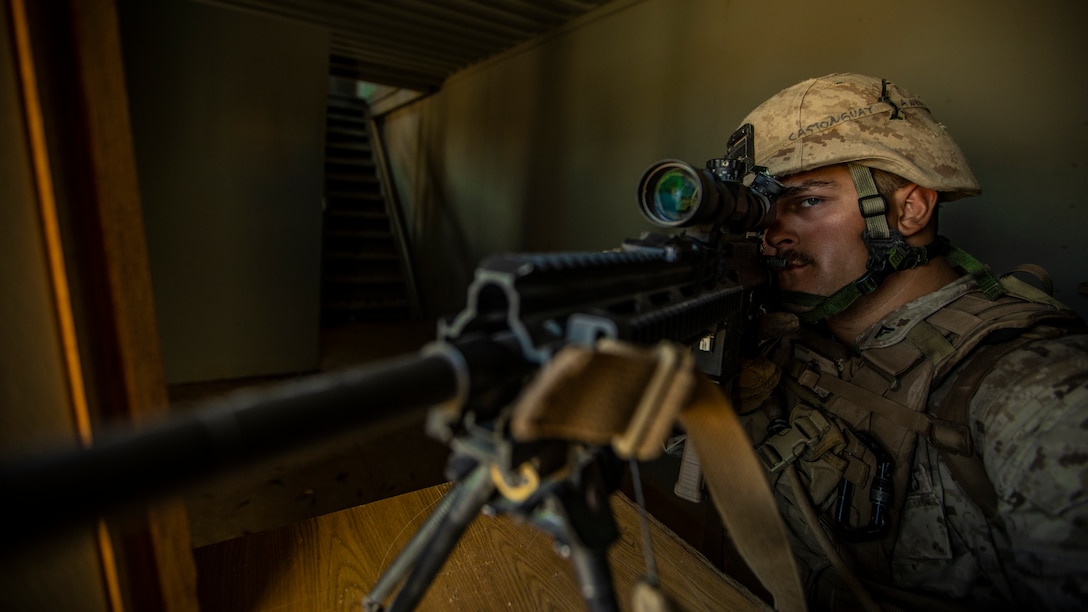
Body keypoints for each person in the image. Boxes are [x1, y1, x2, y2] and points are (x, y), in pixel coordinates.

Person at [733, 73, 1088, 610]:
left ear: (910, 209)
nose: (773, 233)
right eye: (761, 210)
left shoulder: (1037, 388)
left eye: (805, 202)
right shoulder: (783, 338)